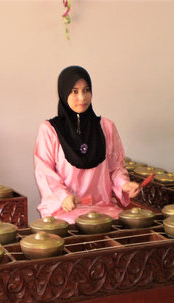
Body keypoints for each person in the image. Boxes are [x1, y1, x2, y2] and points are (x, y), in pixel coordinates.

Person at [34, 66, 140, 224]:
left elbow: (116, 167)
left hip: (102, 207)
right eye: (74, 91)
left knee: (125, 226)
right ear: (63, 93)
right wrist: (64, 197)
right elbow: (44, 172)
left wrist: (124, 184)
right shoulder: (50, 130)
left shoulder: (106, 127)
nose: (82, 98)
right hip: (64, 210)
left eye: (86, 90)